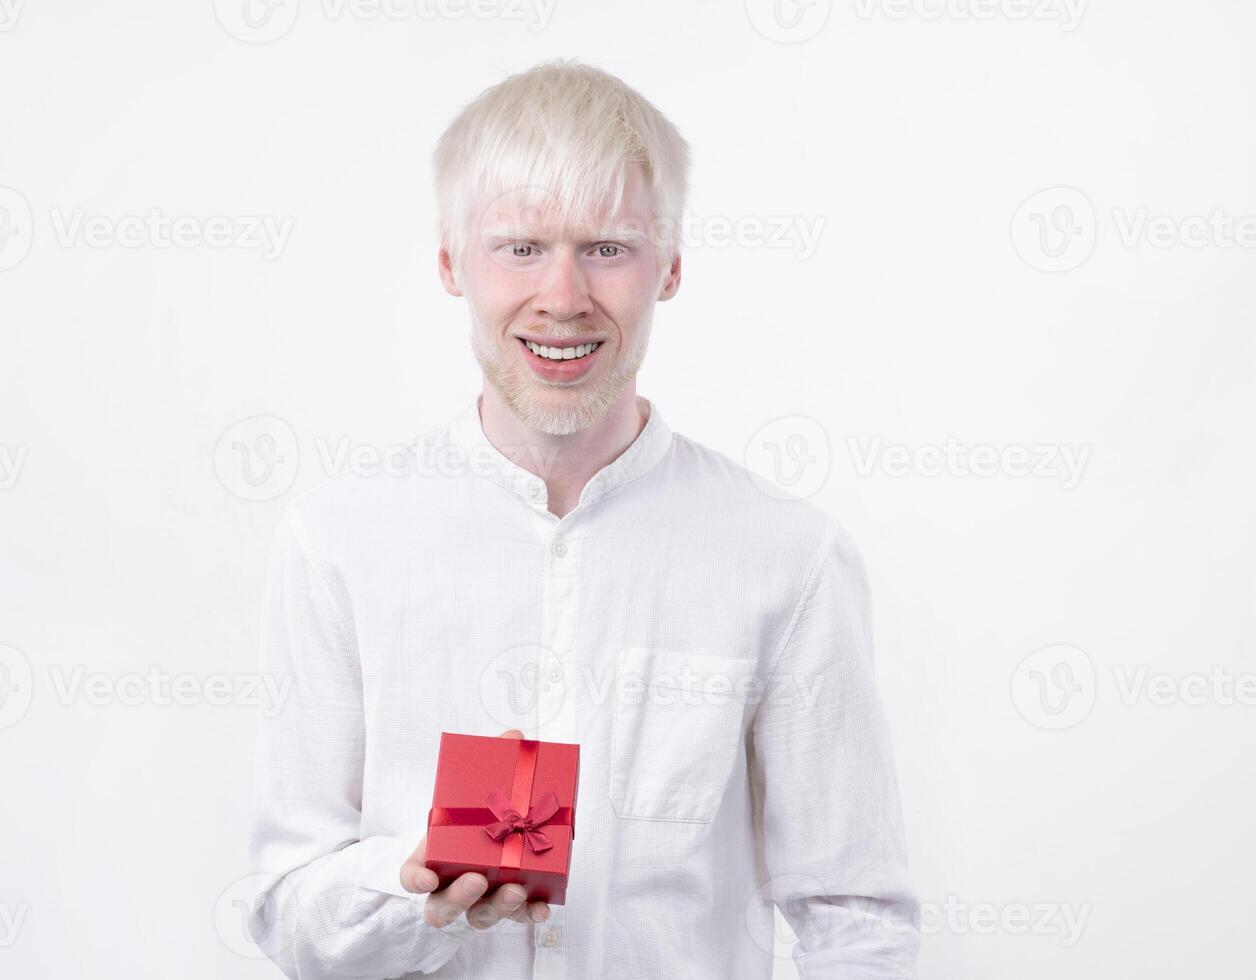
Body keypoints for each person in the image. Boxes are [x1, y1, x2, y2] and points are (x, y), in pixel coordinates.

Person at [247, 57, 920, 979]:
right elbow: (285, 910)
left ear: (671, 266)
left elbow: (857, 919)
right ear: (451, 263)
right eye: (520, 247)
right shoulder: (337, 544)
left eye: (606, 247)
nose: (562, 298)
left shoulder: (787, 558)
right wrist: (407, 885)